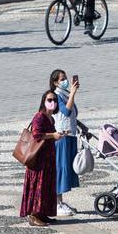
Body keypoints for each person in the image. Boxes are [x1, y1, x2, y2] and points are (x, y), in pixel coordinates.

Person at [20, 90, 62, 227]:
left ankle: (42, 213)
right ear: (44, 102)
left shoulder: (51, 118)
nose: (53, 103)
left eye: (55, 100)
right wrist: (53, 135)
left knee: (46, 186)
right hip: (38, 159)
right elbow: (37, 135)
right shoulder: (39, 117)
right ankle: (34, 215)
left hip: (49, 158)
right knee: (38, 186)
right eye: (49, 100)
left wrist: (58, 135)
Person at [49, 69, 81, 216]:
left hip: (71, 135)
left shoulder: (65, 94)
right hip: (62, 137)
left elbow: (72, 116)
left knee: (67, 167)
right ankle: (56, 203)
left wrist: (82, 127)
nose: (65, 80)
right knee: (61, 168)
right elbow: (65, 112)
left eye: (65, 78)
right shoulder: (56, 96)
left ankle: (60, 201)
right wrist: (73, 93)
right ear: (56, 82)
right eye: (62, 79)